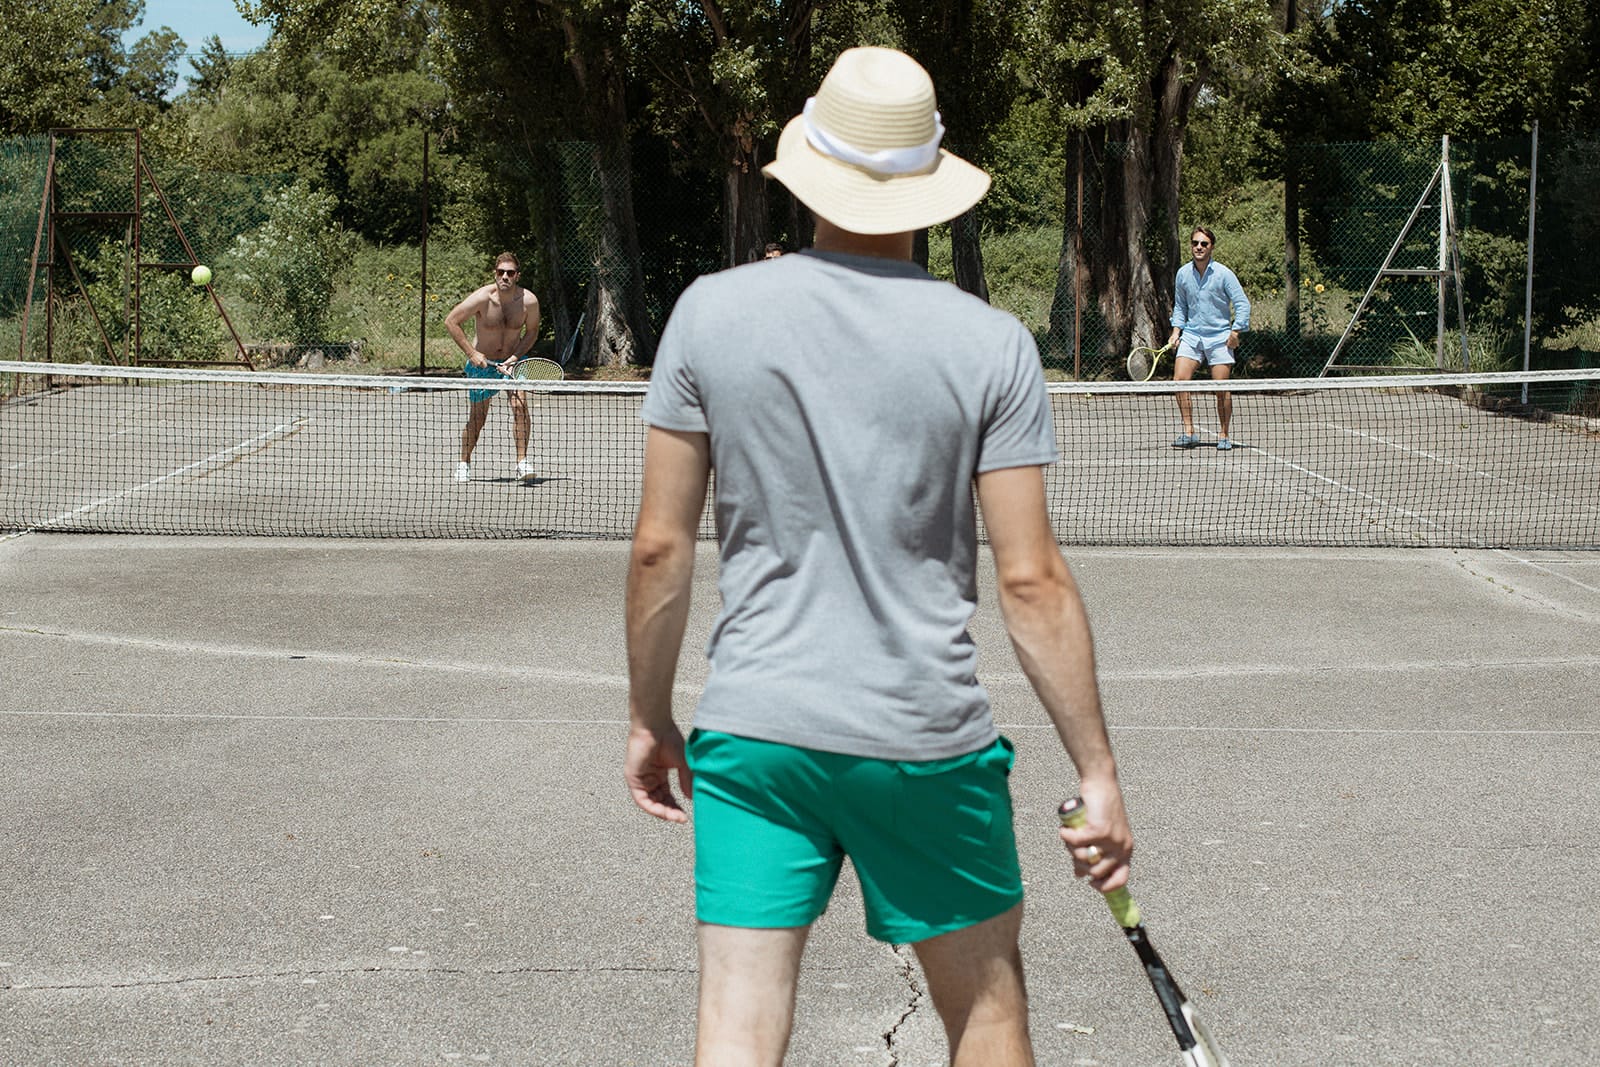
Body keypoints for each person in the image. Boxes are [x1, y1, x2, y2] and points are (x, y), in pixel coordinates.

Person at [624, 47, 1132, 1067]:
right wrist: (1097, 767)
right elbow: (1029, 579)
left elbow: (658, 547)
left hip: (754, 735)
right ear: (930, 187)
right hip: (923, 739)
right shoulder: (988, 343)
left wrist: (648, 714)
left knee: (737, 1021)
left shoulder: (708, 314)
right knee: (986, 1015)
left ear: (804, 164)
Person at [444, 252, 541, 482]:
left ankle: (522, 462)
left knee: (520, 407)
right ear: (495, 274)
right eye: (501, 272)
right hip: (483, 365)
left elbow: (533, 331)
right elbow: (451, 321)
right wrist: (472, 353)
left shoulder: (529, 301)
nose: (504, 276)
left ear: (517, 275)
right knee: (478, 417)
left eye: (510, 272)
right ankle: (464, 462)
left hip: (512, 363)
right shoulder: (482, 298)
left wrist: (516, 356)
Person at [1166, 226, 1251, 450]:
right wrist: (1176, 332)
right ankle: (1188, 432)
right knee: (1179, 381)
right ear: (1191, 246)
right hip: (1192, 336)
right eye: (1195, 243)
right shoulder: (1183, 274)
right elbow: (1180, 307)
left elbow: (1242, 304)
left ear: (1211, 246)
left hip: (1219, 338)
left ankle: (1224, 434)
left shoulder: (1224, 274)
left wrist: (1235, 331)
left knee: (1221, 387)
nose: (1199, 247)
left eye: (1204, 244)